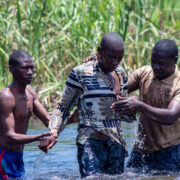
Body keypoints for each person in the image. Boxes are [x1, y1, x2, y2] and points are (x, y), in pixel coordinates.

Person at [40, 32, 136, 178]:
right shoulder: (81, 73)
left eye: (119, 57)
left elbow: (126, 117)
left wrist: (130, 108)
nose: (115, 62)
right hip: (90, 143)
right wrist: (53, 133)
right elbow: (63, 107)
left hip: (116, 144)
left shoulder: (120, 73)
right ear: (100, 51)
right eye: (111, 57)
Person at [111, 39, 180, 173]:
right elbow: (118, 89)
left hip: (169, 152)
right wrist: (100, 65)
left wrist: (140, 106)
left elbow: (170, 116)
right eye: (153, 61)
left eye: (161, 64)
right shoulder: (145, 73)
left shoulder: (178, 84)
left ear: (174, 60)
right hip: (141, 150)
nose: (156, 67)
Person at [0, 50, 54, 180]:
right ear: (11, 69)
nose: (30, 72)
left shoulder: (30, 92)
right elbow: (9, 137)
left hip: (18, 157)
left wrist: (71, 119)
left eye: (32, 68)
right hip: (4, 157)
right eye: (25, 68)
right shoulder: (6, 97)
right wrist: (40, 136)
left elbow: (48, 120)